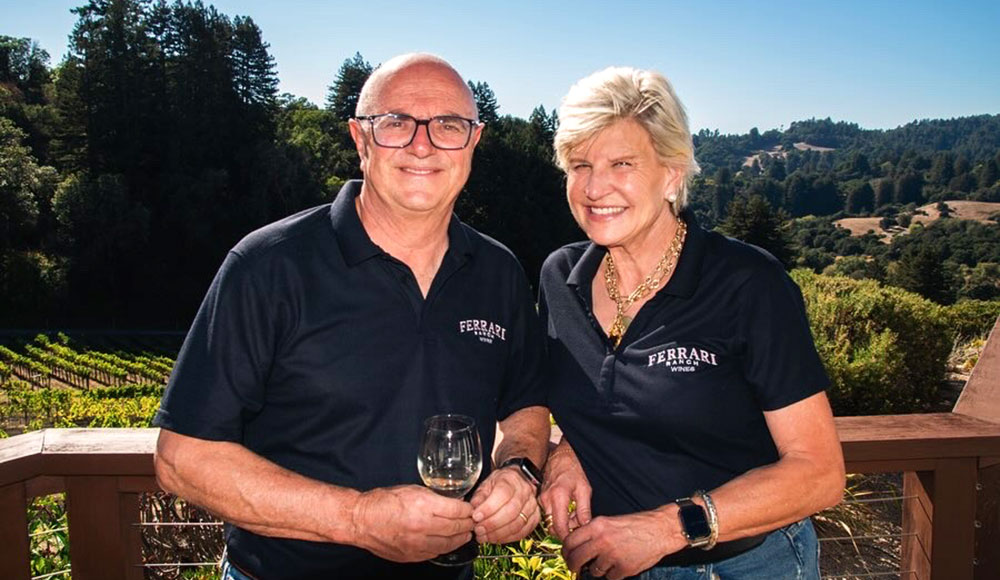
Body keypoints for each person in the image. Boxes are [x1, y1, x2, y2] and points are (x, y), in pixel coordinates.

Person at [153, 53, 550, 580]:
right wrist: (359, 519)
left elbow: (526, 404)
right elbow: (182, 459)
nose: (423, 145)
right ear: (360, 139)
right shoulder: (268, 265)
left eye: (448, 126)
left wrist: (520, 470)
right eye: (396, 124)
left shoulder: (498, 272)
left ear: (473, 143)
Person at [537, 67, 845, 580]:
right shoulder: (559, 277)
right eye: (580, 164)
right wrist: (570, 450)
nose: (594, 187)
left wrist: (664, 528)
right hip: (612, 562)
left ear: (672, 173)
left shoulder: (748, 284)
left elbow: (819, 473)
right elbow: (602, 391)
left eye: (622, 163)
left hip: (744, 566)